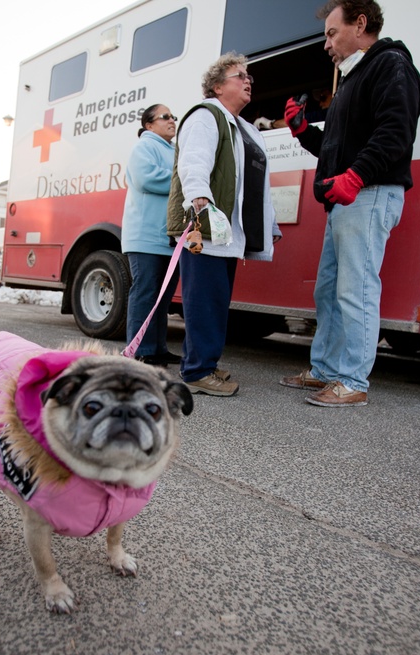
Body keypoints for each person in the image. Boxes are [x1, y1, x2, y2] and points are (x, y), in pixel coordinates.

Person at [279, 0, 420, 407]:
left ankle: (353, 380)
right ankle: (325, 370)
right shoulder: (352, 79)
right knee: (329, 291)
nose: (326, 44)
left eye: (331, 32)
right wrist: (304, 131)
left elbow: (395, 132)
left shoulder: (390, 65)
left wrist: (358, 175)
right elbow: (335, 147)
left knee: (355, 290)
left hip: (370, 193)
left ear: (360, 24)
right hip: (347, 198)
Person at [166, 53, 281, 397]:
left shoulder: (243, 127)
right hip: (206, 224)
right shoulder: (206, 116)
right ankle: (198, 371)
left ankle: (206, 362)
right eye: (239, 76)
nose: (248, 81)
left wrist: (269, 223)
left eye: (250, 77)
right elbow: (194, 161)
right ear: (217, 86)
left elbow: (254, 184)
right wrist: (199, 197)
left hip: (226, 229)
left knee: (215, 300)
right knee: (204, 300)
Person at [121, 104, 181, 366]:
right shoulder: (144, 146)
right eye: (165, 117)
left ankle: (157, 348)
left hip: (169, 238)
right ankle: (140, 350)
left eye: (173, 117)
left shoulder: (173, 150)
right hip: (146, 238)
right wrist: (186, 179)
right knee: (145, 293)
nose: (172, 120)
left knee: (162, 298)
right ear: (149, 125)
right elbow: (147, 178)